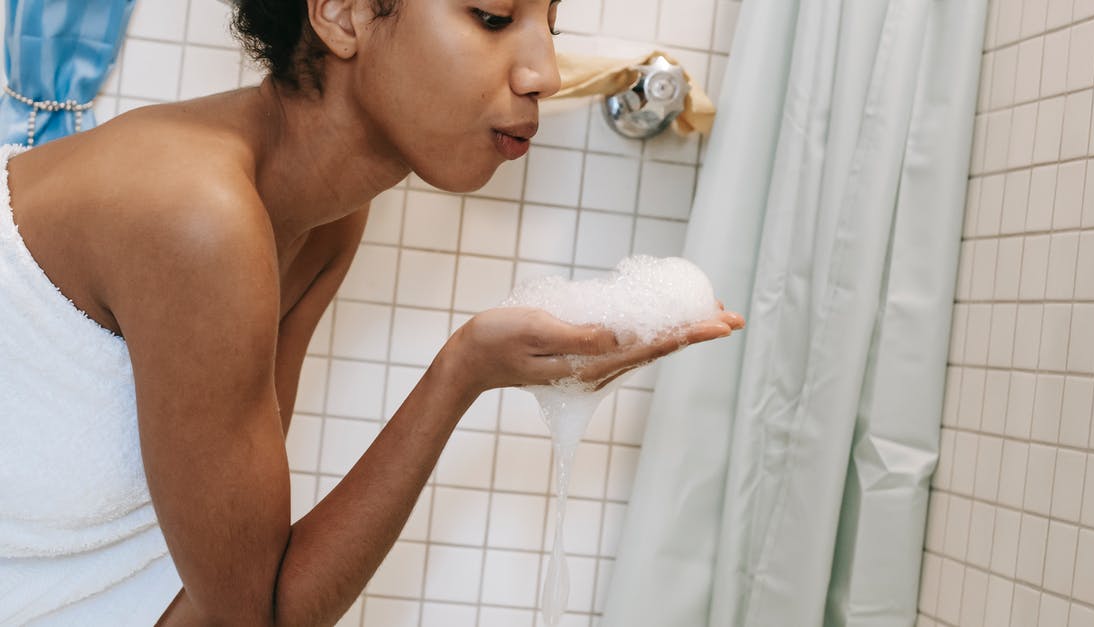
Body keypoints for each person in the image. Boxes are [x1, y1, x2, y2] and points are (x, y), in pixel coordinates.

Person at [0, 0, 744, 624]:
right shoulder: (197, 215)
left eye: (549, 23)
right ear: (342, 13)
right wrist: (462, 371)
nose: (544, 72)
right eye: (492, 17)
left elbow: (238, 579)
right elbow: (258, 616)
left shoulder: (323, 219)